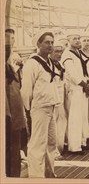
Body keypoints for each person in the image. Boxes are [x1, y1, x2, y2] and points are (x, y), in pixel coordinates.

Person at [21, 32, 59, 177]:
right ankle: (36, 177)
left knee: (51, 143)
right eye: (46, 42)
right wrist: (29, 110)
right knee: (37, 144)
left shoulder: (49, 62)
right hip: (39, 108)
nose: (50, 45)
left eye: (51, 42)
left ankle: (49, 174)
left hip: (51, 106)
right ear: (38, 44)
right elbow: (26, 90)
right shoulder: (32, 63)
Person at [61, 33, 89, 155]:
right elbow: (72, 74)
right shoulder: (67, 54)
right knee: (75, 118)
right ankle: (74, 146)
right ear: (68, 41)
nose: (78, 41)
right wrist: (84, 84)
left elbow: (83, 70)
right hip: (74, 88)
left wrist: (88, 81)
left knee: (82, 116)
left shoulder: (77, 53)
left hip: (81, 88)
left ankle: (82, 142)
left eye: (79, 39)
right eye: (75, 39)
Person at [5, 30, 27, 177]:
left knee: (14, 145)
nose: (9, 42)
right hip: (9, 109)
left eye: (12, 38)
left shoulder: (14, 57)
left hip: (15, 106)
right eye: (6, 39)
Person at [48, 38, 67, 160]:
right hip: (51, 100)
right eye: (56, 51)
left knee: (61, 122)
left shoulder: (60, 65)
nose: (59, 54)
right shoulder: (47, 65)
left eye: (61, 51)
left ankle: (59, 147)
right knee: (52, 126)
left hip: (60, 99)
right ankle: (53, 151)